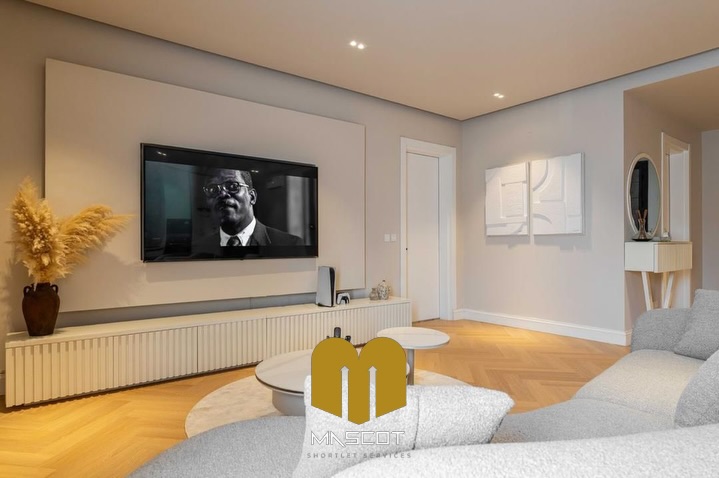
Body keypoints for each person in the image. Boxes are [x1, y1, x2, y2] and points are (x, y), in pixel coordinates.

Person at [192, 167, 302, 257]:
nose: (222, 194)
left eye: (232, 186)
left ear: (252, 197)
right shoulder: (198, 249)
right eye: (213, 189)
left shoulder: (291, 245)